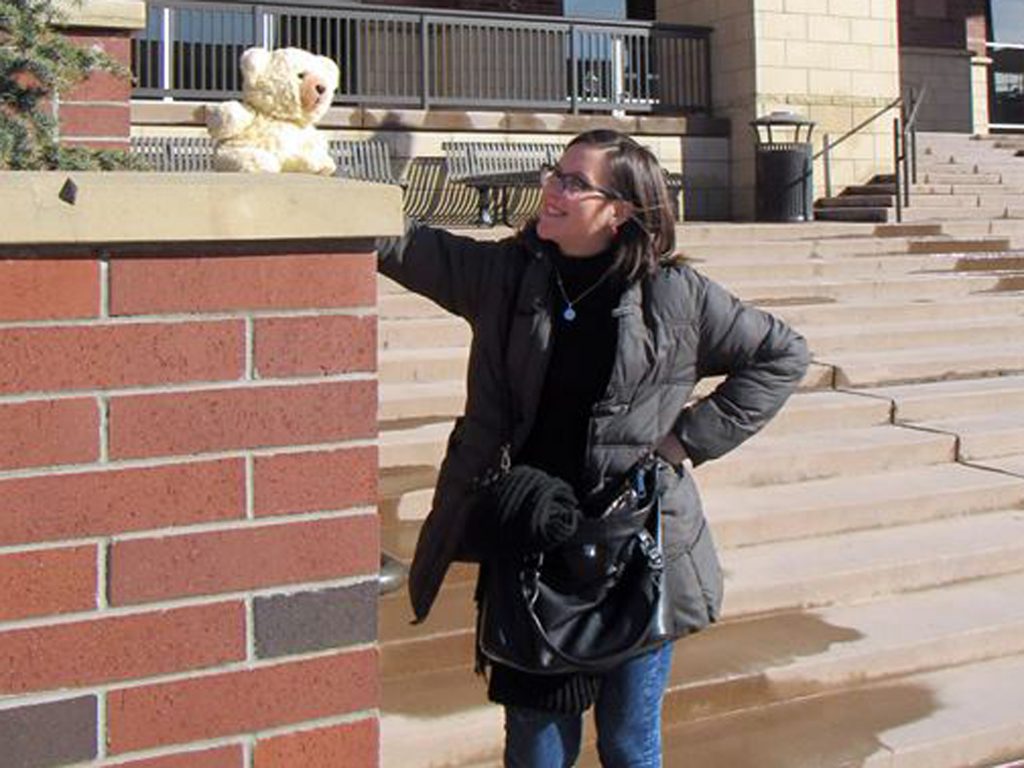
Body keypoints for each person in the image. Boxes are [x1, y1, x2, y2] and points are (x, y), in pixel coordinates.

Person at [377, 129, 809, 767]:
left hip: (631, 553)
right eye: (556, 173)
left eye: (576, 182)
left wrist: (684, 441)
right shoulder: (505, 275)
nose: (553, 188)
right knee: (535, 745)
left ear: (622, 209)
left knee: (630, 745)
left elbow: (782, 354)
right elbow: (406, 245)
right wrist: (306, 181)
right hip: (531, 547)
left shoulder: (677, 297)